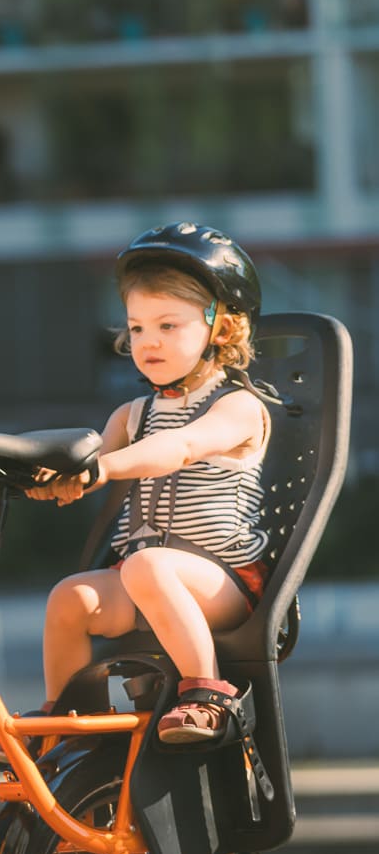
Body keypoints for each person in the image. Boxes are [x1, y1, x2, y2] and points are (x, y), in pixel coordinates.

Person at [23, 222, 271, 747]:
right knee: (69, 598)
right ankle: (71, 724)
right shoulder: (132, 415)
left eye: (168, 325)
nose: (148, 340)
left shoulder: (239, 407)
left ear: (222, 329)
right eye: (137, 328)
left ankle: (208, 694)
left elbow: (179, 447)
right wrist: (60, 478)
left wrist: (104, 469)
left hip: (222, 582)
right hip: (145, 581)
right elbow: (92, 464)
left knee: (147, 565)